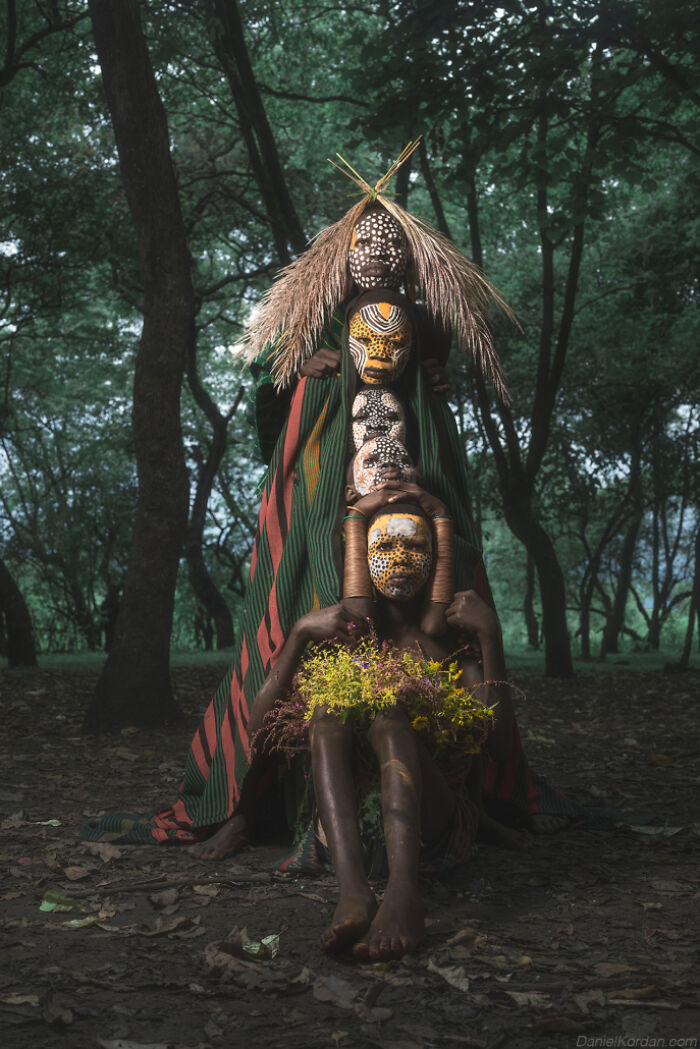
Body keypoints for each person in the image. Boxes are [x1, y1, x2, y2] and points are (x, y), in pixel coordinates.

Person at [242, 485, 516, 958]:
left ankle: (405, 894)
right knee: (329, 711)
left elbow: (501, 749)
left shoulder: (452, 642)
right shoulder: (341, 637)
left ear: (434, 559)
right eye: (385, 544)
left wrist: (490, 638)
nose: (400, 557)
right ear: (360, 556)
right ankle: (353, 891)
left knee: (390, 716)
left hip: (433, 832)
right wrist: (300, 635)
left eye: (415, 545)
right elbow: (259, 731)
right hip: (342, 838)